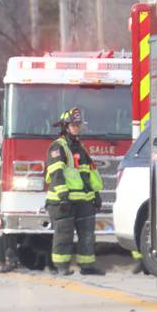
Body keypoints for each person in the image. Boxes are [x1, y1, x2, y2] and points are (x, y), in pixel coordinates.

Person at [44, 107, 105, 276]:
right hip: (63, 200)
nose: (77, 128)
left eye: (79, 125)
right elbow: (56, 173)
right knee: (64, 235)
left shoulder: (80, 148)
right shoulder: (58, 147)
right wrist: (63, 197)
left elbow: (86, 175)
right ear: (65, 127)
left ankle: (87, 266)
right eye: (74, 125)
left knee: (87, 234)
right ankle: (62, 266)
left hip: (83, 200)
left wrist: (95, 195)